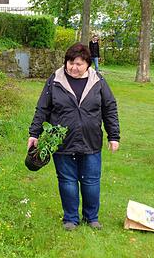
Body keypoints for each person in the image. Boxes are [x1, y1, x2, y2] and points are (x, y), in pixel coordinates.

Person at [27, 43, 120, 231]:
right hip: (62, 142)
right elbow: (42, 108)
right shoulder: (55, 80)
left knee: (91, 180)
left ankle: (91, 217)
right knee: (67, 180)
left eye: (78, 64)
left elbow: (109, 108)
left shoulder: (98, 81)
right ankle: (70, 219)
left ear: (88, 64)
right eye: (70, 62)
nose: (73, 67)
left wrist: (114, 136)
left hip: (91, 140)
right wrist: (34, 133)